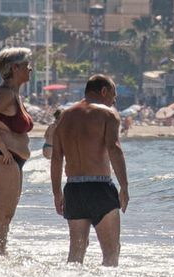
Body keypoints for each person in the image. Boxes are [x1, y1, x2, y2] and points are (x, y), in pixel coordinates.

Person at [50, 75, 128, 266]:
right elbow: (114, 149)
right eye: (113, 95)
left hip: (73, 189)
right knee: (111, 252)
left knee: (76, 255)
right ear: (104, 91)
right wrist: (124, 187)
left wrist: (57, 193)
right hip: (99, 188)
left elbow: (56, 158)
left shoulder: (64, 117)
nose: (114, 100)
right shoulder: (108, 114)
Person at [0, 47, 35, 256]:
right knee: (2, 215)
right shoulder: (5, 93)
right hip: (0, 158)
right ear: (15, 68)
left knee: (7, 215)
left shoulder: (14, 94)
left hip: (12, 160)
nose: (30, 68)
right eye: (27, 64)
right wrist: (1, 145)